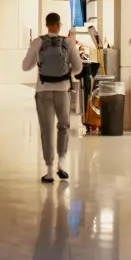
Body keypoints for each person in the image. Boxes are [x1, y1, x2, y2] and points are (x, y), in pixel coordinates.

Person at [22, 13, 83, 184]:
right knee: (63, 126)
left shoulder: (38, 42)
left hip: (43, 90)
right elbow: (78, 68)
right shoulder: (68, 42)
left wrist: (38, 62)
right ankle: (62, 164)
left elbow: (25, 66)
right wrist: (66, 72)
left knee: (46, 129)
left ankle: (49, 171)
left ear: (47, 24)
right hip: (63, 89)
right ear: (59, 25)